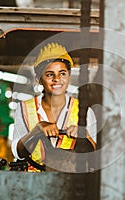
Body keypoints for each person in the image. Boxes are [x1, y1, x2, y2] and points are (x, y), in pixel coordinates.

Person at [11, 42, 97, 172]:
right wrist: (36, 131)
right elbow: (18, 152)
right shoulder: (24, 109)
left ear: (68, 77)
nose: (57, 79)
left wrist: (85, 136)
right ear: (39, 79)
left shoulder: (85, 111)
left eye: (62, 73)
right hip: (31, 182)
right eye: (49, 74)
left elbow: (95, 158)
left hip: (70, 181)